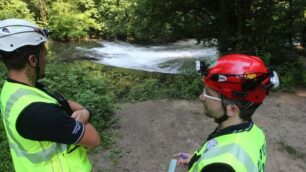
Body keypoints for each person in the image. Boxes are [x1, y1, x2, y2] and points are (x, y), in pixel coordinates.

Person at [0, 18, 100, 172]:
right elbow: (93, 139)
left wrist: (84, 112)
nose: (46, 60)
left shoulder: (13, 89)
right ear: (33, 60)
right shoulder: (39, 113)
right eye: (44, 55)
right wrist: (86, 113)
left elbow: (61, 102)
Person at [174, 54, 279, 172]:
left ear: (232, 109)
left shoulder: (220, 167)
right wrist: (196, 160)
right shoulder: (255, 133)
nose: (201, 97)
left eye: (208, 93)